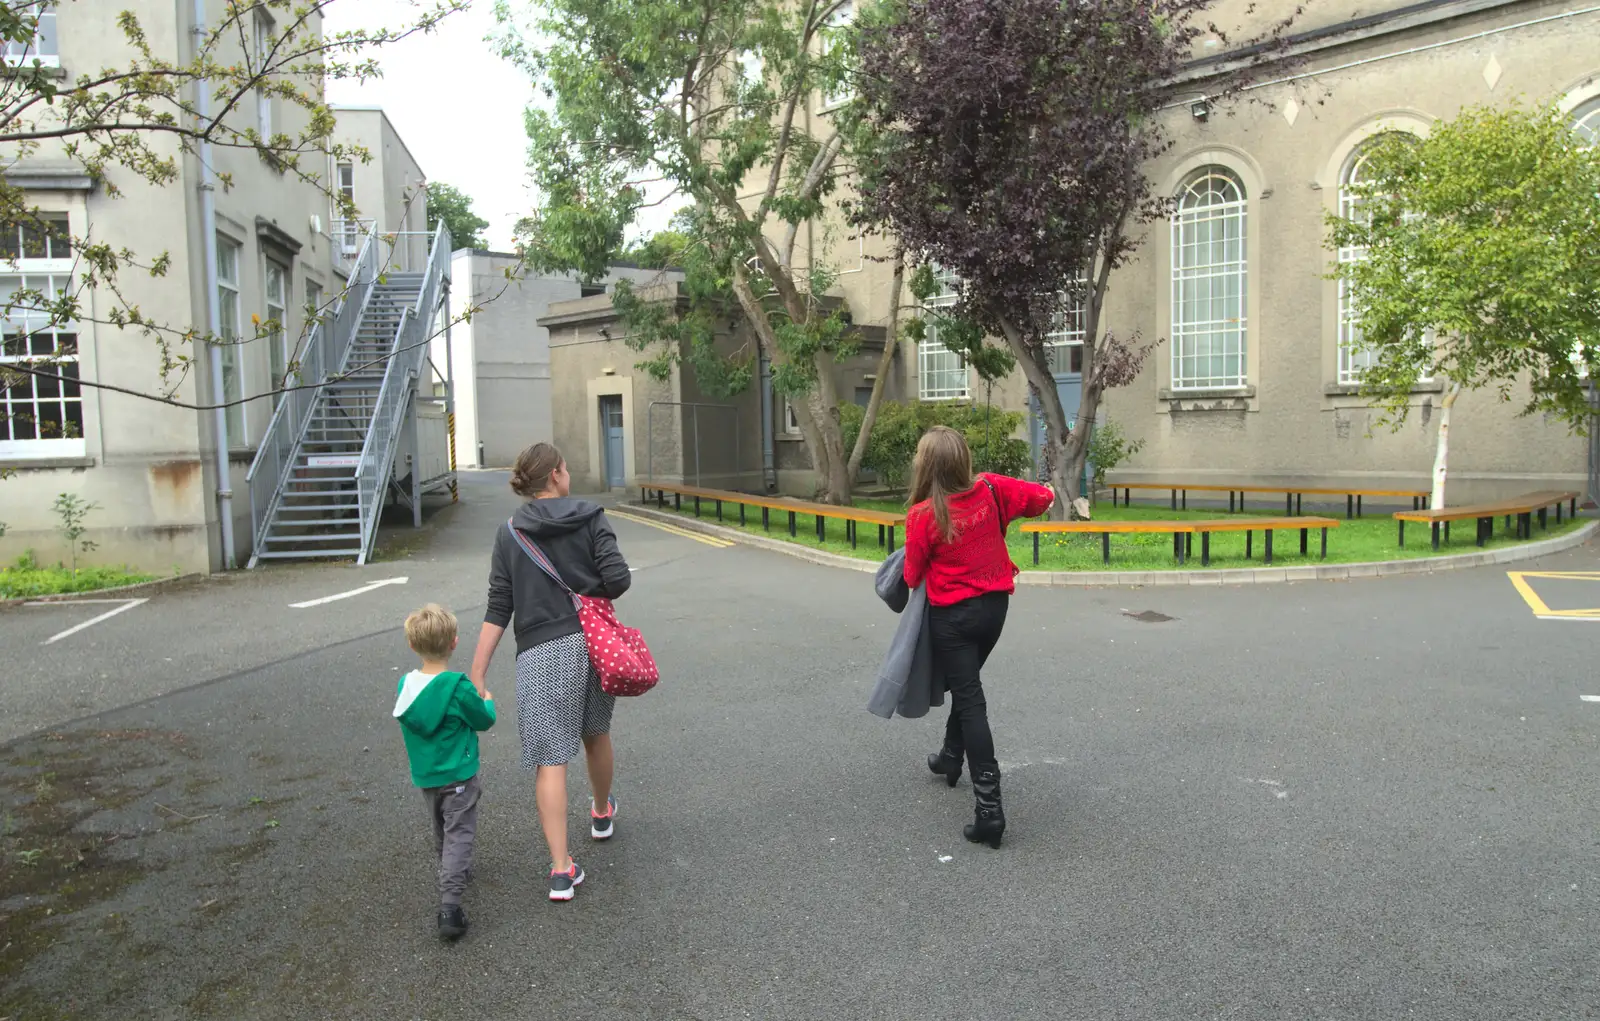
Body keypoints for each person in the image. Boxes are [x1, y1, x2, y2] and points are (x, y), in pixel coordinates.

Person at [467, 442, 632, 902]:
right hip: (593, 643)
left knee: (551, 759)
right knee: (596, 732)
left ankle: (562, 870)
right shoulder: (592, 516)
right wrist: (589, 584)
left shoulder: (510, 533)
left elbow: (500, 606)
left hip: (541, 654)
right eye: (567, 466)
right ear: (557, 474)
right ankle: (601, 812)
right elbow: (618, 580)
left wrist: (477, 672)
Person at [903, 426, 1054, 849]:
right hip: (994, 611)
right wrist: (1045, 489)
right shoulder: (990, 488)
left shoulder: (922, 516)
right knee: (967, 689)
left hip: (952, 619)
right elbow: (1042, 499)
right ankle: (951, 758)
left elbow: (911, 575)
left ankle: (990, 811)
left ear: (926, 465)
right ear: (963, 460)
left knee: (970, 700)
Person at [392, 604, 497, 941]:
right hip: (459, 774)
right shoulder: (458, 686)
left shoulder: (405, 686)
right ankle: (450, 906)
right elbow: (483, 719)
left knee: (442, 828)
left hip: (427, 775)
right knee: (459, 832)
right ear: (454, 642)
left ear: (412, 645)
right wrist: (489, 701)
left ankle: (453, 870)